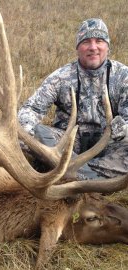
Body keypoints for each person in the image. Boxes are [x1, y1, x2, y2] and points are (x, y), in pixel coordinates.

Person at [18, 18, 128, 178]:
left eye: (99, 41)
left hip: (108, 143)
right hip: (69, 143)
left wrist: (124, 129)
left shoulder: (123, 76)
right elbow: (31, 109)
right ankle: (93, 178)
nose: (93, 47)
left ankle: (66, 170)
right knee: (27, 136)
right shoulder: (60, 77)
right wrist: (28, 128)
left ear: (107, 46)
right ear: (78, 47)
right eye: (86, 42)